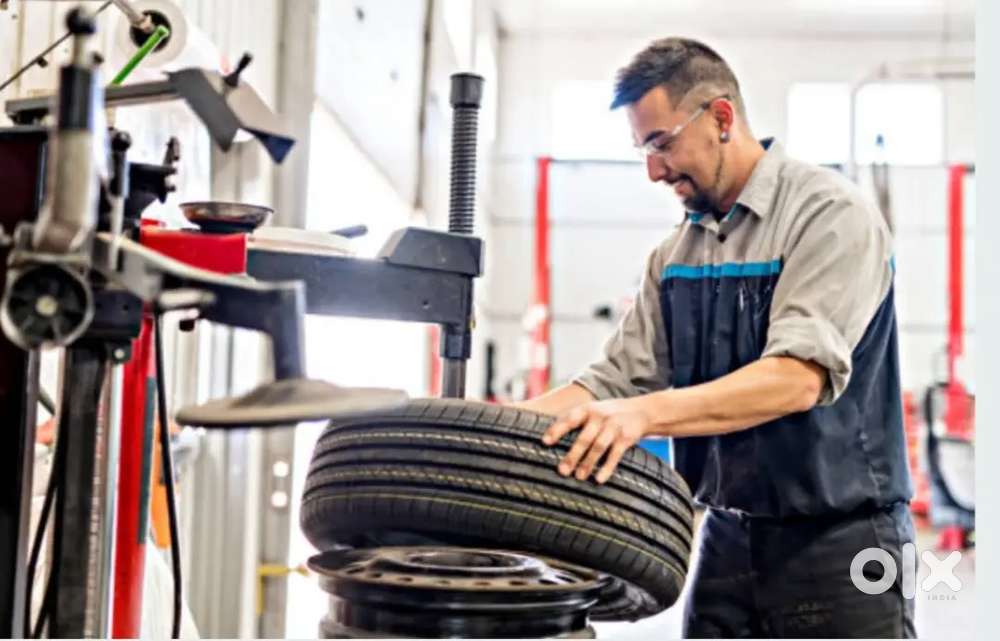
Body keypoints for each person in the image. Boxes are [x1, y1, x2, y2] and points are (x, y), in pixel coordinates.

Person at [515, 37, 915, 638]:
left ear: (720, 117)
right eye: (642, 150)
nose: (653, 170)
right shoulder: (675, 256)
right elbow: (611, 381)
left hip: (844, 540)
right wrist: (489, 435)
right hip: (726, 537)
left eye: (661, 142)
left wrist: (641, 416)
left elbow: (794, 378)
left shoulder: (829, 215)